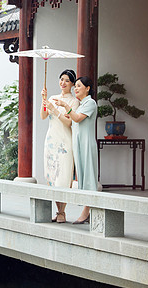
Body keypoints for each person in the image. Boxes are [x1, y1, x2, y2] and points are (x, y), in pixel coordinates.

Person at [55, 76, 98, 224]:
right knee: (83, 177)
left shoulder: (90, 103)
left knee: (89, 177)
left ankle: (87, 211)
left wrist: (66, 106)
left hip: (86, 144)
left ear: (87, 88)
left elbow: (78, 118)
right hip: (79, 144)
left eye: (79, 86)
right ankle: (87, 210)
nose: (76, 88)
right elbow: (72, 118)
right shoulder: (81, 104)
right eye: (76, 86)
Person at [40, 69, 79, 223]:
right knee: (52, 176)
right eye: (61, 79)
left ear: (72, 84)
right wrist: (43, 100)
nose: (63, 83)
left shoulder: (74, 101)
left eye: (67, 80)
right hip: (51, 140)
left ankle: (62, 212)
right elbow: (43, 116)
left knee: (63, 176)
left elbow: (69, 122)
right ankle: (59, 211)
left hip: (65, 141)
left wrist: (54, 109)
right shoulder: (52, 97)